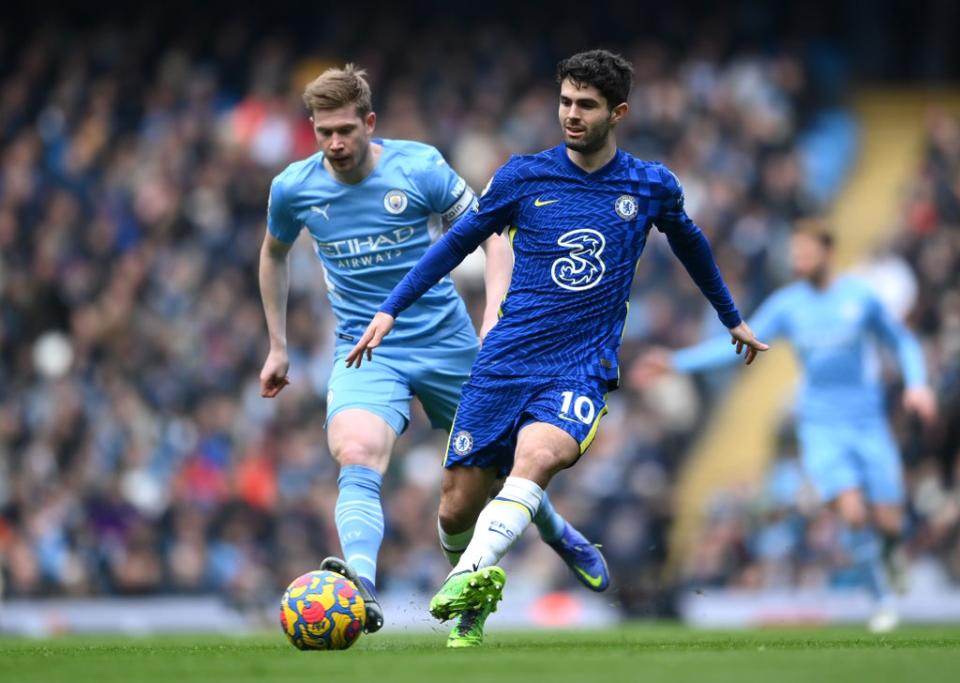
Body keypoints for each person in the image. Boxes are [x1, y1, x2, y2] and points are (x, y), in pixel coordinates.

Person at [345, 49, 767, 645]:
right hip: (505, 360)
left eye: (586, 105)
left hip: (579, 365)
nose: (571, 114)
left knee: (537, 459)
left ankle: (466, 579)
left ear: (617, 112)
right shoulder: (523, 175)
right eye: (565, 101)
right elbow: (456, 243)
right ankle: (489, 581)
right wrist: (391, 308)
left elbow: (691, 242)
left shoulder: (649, 186)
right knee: (454, 510)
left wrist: (731, 318)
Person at [258, 65, 606, 639]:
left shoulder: (418, 167)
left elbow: (493, 234)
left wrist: (494, 314)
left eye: (346, 129)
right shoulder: (294, 187)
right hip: (364, 350)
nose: (336, 144)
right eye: (324, 133)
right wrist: (278, 345)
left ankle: (558, 531)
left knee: (500, 474)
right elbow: (273, 254)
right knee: (356, 451)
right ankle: (363, 587)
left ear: (370, 123)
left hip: (448, 345)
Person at [632, 219, 938, 633]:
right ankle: (882, 602)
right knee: (850, 513)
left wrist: (917, 385)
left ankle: (889, 552)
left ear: (828, 253)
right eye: (794, 254)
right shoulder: (788, 304)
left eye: (805, 252)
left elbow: (900, 341)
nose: (798, 260)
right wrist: (675, 362)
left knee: (889, 522)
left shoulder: (860, 298)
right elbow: (739, 343)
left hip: (868, 422)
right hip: (820, 425)